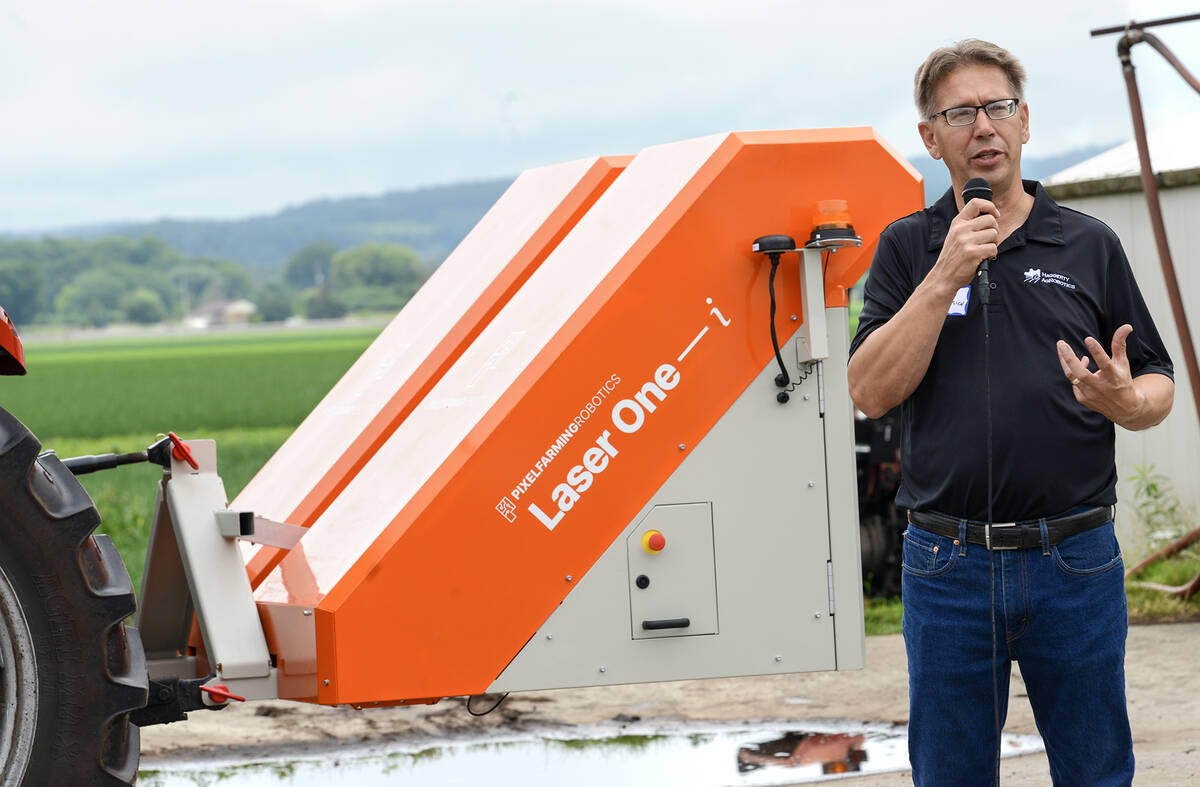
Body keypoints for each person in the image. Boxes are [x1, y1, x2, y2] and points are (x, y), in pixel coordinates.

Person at [847, 39, 1175, 786]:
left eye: (998, 107)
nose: (983, 126)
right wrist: (947, 274)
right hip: (948, 564)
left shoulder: (1088, 243)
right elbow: (868, 390)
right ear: (931, 137)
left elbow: (1157, 380)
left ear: (1025, 121)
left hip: (1074, 561)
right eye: (959, 113)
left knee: (1096, 771)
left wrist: (1128, 402)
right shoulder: (908, 247)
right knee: (950, 774)